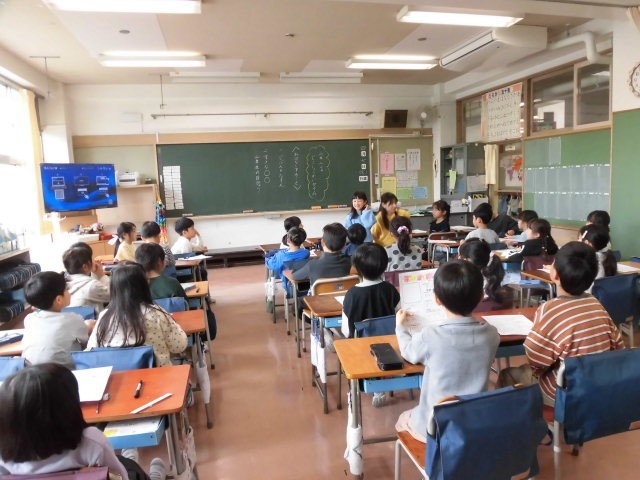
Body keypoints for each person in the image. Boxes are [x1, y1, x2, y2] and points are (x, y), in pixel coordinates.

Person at [0, 363, 166, 480]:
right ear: (68, 406)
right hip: (108, 468)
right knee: (130, 469)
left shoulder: (4, 450)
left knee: (125, 462)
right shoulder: (90, 441)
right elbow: (120, 476)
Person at [395, 260, 500, 442]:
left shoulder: (431, 335)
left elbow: (408, 352)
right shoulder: (491, 335)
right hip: (474, 423)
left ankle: (433, 456)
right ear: (481, 296)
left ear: (437, 299)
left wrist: (400, 327)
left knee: (403, 418)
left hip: (434, 427)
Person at [524, 242, 624, 405]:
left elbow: (535, 359)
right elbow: (618, 346)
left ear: (555, 274)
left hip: (563, 394)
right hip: (599, 387)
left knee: (510, 376)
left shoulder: (550, 309)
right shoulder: (596, 303)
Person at [87, 263, 187, 367]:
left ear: (114, 288)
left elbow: (91, 349)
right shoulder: (156, 314)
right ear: (145, 284)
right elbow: (179, 345)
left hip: (120, 375)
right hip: (158, 374)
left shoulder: (105, 316)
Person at [21, 271, 91, 369]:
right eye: (66, 289)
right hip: (61, 373)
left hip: (29, 371)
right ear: (59, 300)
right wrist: (89, 325)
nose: (69, 292)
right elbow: (85, 339)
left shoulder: (29, 319)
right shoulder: (71, 319)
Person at [343, 244, 400, 339]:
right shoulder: (390, 289)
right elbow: (400, 318)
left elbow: (346, 331)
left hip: (360, 345)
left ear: (356, 267)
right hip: (389, 341)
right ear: (385, 265)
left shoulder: (351, 294)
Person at [458, 238, 512, 310]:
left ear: (467, 260)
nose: (458, 259)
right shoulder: (504, 294)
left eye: (461, 257)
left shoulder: (466, 282)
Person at [63, 245, 110, 314]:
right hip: (93, 319)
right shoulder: (92, 285)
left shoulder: (67, 281)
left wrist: (94, 273)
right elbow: (112, 295)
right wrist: (102, 275)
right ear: (85, 266)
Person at [265, 227, 310, 296]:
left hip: (289, 287)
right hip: (306, 285)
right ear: (303, 240)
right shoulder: (306, 253)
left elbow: (270, 265)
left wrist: (268, 259)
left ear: (288, 241)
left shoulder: (281, 255)